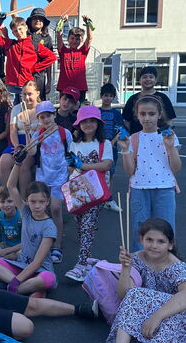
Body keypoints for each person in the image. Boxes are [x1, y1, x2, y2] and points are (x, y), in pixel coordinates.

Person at [0, 153, 57, 297]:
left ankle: (10, 289)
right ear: (27, 200)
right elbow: (10, 186)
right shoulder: (26, 211)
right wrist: (17, 163)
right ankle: (26, 289)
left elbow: (36, 263)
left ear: (47, 202)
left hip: (40, 269)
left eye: (41, 202)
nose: (37, 206)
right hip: (21, 266)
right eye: (33, 201)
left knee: (49, 279)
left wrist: (16, 281)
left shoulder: (49, 227)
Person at [109, 218, 186, 343]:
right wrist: (125, 268)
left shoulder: (176, 266)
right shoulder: (134, 259)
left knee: (135, 294)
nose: (154, 246)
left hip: (170, 312)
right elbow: (124, 296)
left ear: (170, 245)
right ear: (141, 239)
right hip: (143, 310)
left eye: (161, 241)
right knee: (133, 294)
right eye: (149, 240)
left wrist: (157, 316)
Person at [118, 95, 182, 250]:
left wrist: (171, 147)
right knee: (139, 230)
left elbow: (176, 168)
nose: (147, 118)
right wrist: (125, 150)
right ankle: (139, 267)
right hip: (139, 189)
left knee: (165, 230)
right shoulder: (133, 138)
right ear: (137, 115)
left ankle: (165, 265)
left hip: (165, 189)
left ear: (159, 115)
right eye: (143, 114)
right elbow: (130, 171)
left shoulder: (169, 137)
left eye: (151, 114)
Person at [63, 106, 113, 282]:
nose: (88, 124)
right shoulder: (75, 143)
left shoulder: (104, 144)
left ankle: (81, 264)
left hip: (96, 192)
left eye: (92, 120)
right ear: (79, 124)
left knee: (88, 225)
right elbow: (71, 168)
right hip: (77, 191)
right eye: (84, 121)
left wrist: (81, 165)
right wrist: (70, 164)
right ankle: (87, 257)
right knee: (81, 226)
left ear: (98, 124)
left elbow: (106, 165)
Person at [29, 101, 73, 265]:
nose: (46, 119)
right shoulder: (38, 134)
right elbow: (32, 152)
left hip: (60, 178)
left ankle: (57, 245)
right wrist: (28, 133)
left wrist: (69, 169)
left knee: (55, 209)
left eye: (48, 115)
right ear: (39, 118)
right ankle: (43, 243)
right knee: (41, 211)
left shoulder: (64, 133)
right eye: (42, 116)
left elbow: (70, 151)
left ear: (54, 115)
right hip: (42, 178)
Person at [0, 13, 56, 105]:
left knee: (25, 112)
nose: (18, 32)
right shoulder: (10, 44)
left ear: (25, 28)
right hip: (11, 85)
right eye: (15, 31)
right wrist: (0, 21)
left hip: (26, 84)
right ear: (13, 33)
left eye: (20, 29)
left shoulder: (35, 45)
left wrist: (35, 68)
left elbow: (52, 57)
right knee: (12, 112)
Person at [11, 0, 55, 101]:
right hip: (24, 75)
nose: (38, 21)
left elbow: (50, 62)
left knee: (39, 105)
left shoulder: (47, 38)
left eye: (41, 19)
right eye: (35, 18)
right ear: (29, 22)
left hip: (39, 77)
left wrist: (49, 82)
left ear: (44, 22)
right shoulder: (26, 34)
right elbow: (14, 14)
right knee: (23, 103)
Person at [0, 80, 40, 194]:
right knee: (4, 161)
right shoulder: (17, 108)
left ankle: (23, 200)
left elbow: (42, 131)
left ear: (37, 93)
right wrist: (17, 146)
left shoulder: (42, 108)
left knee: (24, 165)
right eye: (24, 94)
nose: (26, 97)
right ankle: (8, 198)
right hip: (18, 142)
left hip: (34, 142)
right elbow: (13, 131)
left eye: (30, 94)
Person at [122, 66, 176, 134]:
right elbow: (127, 121)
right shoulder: (132, 99)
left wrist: (168, 134)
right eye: (144, 77)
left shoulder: (163, 98)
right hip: (137, 139)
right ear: (140, 80)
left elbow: (169, 120)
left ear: (155, 80)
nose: (148, 79)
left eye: (151, 77)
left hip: (159, 139)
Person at [55, 15, 93, 103]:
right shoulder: (63, 51)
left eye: (77, 39)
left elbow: (90, 38)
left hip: (80, 87)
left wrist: (88, 24)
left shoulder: (83, 51)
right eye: (72, 38)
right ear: (68, 39)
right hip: (64, 87)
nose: (74, 41)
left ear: (81, 40)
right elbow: (58, 36)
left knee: (80, 112)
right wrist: (62, 21)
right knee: (64, 110)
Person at [99, 83, 124, 212]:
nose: (107, 98)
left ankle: (108, 198)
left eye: (110, 96)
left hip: (112, 148)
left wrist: (112, 142)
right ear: (101, 96)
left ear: (113, 97)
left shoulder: (116, 113)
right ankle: (98, 198)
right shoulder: (96, 111)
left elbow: (120, 131)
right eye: (105, 96)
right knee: (97, 173)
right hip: (97, 147)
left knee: (110, 173)